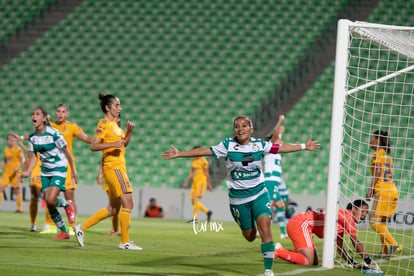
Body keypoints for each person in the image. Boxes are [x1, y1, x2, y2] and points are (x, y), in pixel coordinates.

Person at [162, 115, 320, 276]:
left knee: (265, 228)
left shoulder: (259, 145)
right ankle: (249, 226)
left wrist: (303, 146)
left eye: (244, 125)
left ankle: (268, 270)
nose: (240, 128)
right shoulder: (227, 145)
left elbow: (279, 147)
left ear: (251, 129)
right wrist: (179, 154)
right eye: (237, 126)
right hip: (238, 199)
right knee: (250, 236)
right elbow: (205, 150)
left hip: (259, 193)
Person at [74, 93, 142, 250]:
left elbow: (123, 144)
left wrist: (129, 132)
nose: (120, 108)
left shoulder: (115, 126)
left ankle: (81, 228)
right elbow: (94, 146)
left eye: (119, 105)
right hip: (114, 168)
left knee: (113, 209)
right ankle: (124, 242)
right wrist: (113, 145)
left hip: (118, 167)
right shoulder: (104, 124)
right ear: (107, 107)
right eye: (117, 105)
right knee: (128, 202)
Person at [273, 199, 381, 271]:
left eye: (366, 213)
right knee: (308, 261)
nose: (364, 215)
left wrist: (351, 262)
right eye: (362, 211)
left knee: (315, 261)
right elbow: (356, 241)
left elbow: (339, 246)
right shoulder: (348, 217)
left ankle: (280, 249)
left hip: (302, 224)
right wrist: (368, 260)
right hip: (301, 224)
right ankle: (276, 251)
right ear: (354, 209)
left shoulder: (342, 218)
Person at [20, 107, 77, 240]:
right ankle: (64, 231)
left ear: (44, 119)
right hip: (45, 171)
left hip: (59, 169)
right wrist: (27, 171)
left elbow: (67, 152)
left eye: (37, 114)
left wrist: (73, 171)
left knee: (51, 199)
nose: (34, 116)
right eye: (33, 114)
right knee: (49, 202)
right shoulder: (33, 138)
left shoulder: (54, 134)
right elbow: (34, 157)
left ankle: (67, 205)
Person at [42, 103, 92, 233]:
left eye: (63, 111)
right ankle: (51, 225)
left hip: (67, 166)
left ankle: (72, 226)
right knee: (50, 196)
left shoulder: (71, 127)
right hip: (53, 166)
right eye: (58, 111)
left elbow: (86, 138)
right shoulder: (50, 126)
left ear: (67, 114)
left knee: (69, 197)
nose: (60, 114)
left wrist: (99, 141)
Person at [365, 130, 402, 257]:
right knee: (382, 223)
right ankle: (385, 251)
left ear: (378, 141)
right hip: (392, 191)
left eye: (372, 138)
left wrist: (370, 188)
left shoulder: (377, 154)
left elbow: (378, 171)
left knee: (374, 223)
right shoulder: (387, 156)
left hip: (383, 192)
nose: (370, 140)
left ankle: (394, 244)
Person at [263, 115, 290, 239]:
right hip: (271, 181)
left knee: (280, 205)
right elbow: (275, 136)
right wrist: (280, 120)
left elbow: (278, 137)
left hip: (275, 182)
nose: (281, 141)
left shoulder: (276, 149)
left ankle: (283, 232)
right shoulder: (271, 147)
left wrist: (281, 133)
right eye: (279, 140)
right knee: (269, 205)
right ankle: (260, 229)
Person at [182, 146, 213, 222]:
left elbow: (206, 173)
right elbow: (192, 172)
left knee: (196, 200)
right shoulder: (194, 160)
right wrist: (186, 181)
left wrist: (209, 184)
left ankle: (195, 218)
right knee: (193, 200)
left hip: (201, 183)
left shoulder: (204, 161)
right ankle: (207, 212)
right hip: (195, 182)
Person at [0, 133, 25, 213]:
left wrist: (18, 167)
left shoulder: (18, 149)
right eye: (9, 140)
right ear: (7, 141)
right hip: (7, 172)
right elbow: (5, 161)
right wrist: (1, 169)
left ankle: (19, 209)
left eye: (12, 140)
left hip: (16, 172)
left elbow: (22, 160)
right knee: (0, 187)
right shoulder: (6, 150)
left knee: (17, 189)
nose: (11, 142)